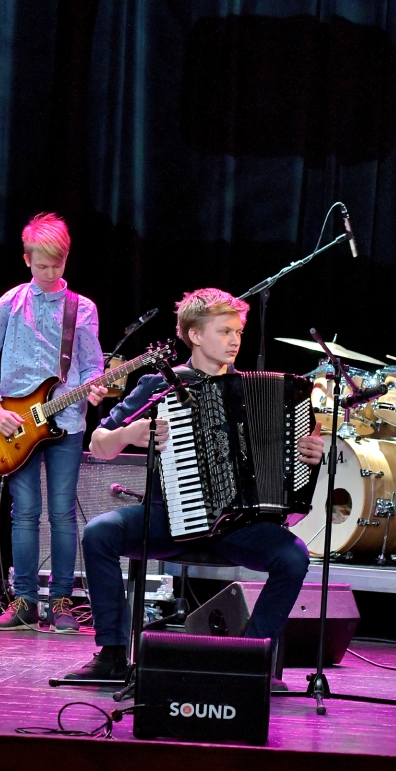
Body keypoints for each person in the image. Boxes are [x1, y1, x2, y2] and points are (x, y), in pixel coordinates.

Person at [66, 288, 324, 681]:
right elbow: (99, 444)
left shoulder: (259, 391)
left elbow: (287, 464)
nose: (235, 340)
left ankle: (250, 659)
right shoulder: (158, 385)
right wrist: (129, 434)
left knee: (294, 557)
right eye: (224, 331)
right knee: (99, 533)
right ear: (195, 335)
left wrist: (306, 454)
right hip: (168, 519)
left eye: (238, 332)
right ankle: (113, 654)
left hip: (236, 526)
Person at [0, 213, 106, 632]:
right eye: (41, 265)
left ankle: (62, 601)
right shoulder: (10, 303)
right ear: (27, 259)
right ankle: (25, 601)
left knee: (62, 513)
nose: (49, 273)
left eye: (57, 265)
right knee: (25, 513)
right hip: (15, 424)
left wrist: (96, 387)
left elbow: (92, 366)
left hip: (66, 421)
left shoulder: (82, 308)